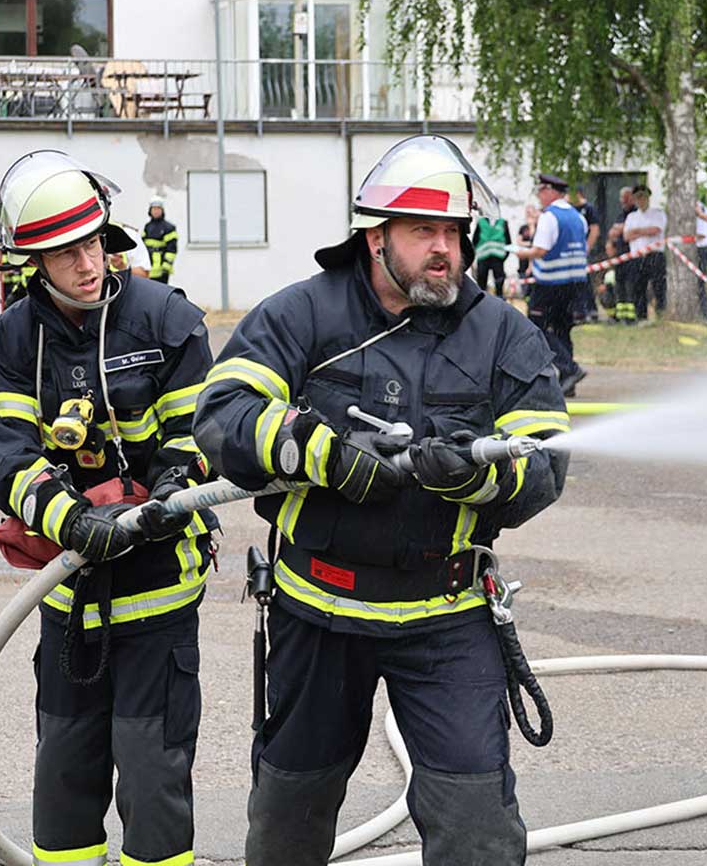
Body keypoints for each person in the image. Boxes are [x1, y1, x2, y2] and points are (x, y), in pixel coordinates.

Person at [192, 134, 570, 866]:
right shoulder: (302, 315)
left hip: (448, 615)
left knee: (476, 826)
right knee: (288, 818)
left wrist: (476, 476)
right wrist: (319, 451)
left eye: (454, 233)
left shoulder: (501, 335)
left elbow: (546, 460)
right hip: (317, 608)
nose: (445, 250)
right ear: (374, 237)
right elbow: (222, 413)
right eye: (423, 231)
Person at [0, 151, 219, 866]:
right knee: (64, 776)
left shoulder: (166, 320)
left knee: (153, 773)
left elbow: (197, 434)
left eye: (93, 244)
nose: (87, 263)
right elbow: (5, 455)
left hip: (159, 591)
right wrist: (71, 519)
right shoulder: (13, 339)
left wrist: (170, 494)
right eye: (65, 253)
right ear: (31, 263)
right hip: (69, 595)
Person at [515, 171, 589, 395]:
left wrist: (522, 253)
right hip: (575, 283)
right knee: (562, 328)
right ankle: (568, 384)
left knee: (535, 328)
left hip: (550, 283)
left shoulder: (549, 217)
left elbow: (541, 250)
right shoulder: (578, 216)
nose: (539, 195)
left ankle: (570, 368)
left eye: (540, 191)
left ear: (550, 191)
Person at [624, 184, 667, 322]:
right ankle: (641, 316)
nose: (641, 200)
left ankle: (661, 314)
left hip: (654, 255)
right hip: (637, 256)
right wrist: (643, 231)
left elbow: (655, 230)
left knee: (658, 286)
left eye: (643, 197)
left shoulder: (658, 214)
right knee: (638, 287)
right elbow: (626, 236)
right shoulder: (631, 216)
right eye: (638, 198)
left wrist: (637, 231)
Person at [569, 187, 601, 322]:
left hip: (582, 252)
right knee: (574, 283)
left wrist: (587, 248)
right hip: (571, 253)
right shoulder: (570, 210)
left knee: (584, 282)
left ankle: (591, 310)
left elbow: (594, 230)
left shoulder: (588, 209)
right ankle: (578, 311)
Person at [608, 186, 638, 324]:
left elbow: (626, 229)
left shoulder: (636, 213)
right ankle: (620, 315)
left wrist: (621, 228)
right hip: (620, 254)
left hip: (632, 254)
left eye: (627, 198)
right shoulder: (621, 214)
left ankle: (631, 317)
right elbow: (612, 233)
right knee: (619, 284)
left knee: (631, 285)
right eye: (622, 198)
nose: (624, 201)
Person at [471, 211, 511, 298]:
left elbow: (508, 242)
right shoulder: (481, 222)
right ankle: (480, 302)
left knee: (499, 282)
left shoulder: (503, 223)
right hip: (483, 258)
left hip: (498, 259)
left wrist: (503, 257)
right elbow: (475, 241)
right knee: (481, 283)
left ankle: (500, 301)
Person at [143, 199, 178, 284]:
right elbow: (142, 246)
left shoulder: (168, 228)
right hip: (148, 266)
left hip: (161, 268)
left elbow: (172, 249)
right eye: (154, 209)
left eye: (158, 209)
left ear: (162, 210)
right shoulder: (147, 227)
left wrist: (166, 267)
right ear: (150, 211)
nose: (156, 211)